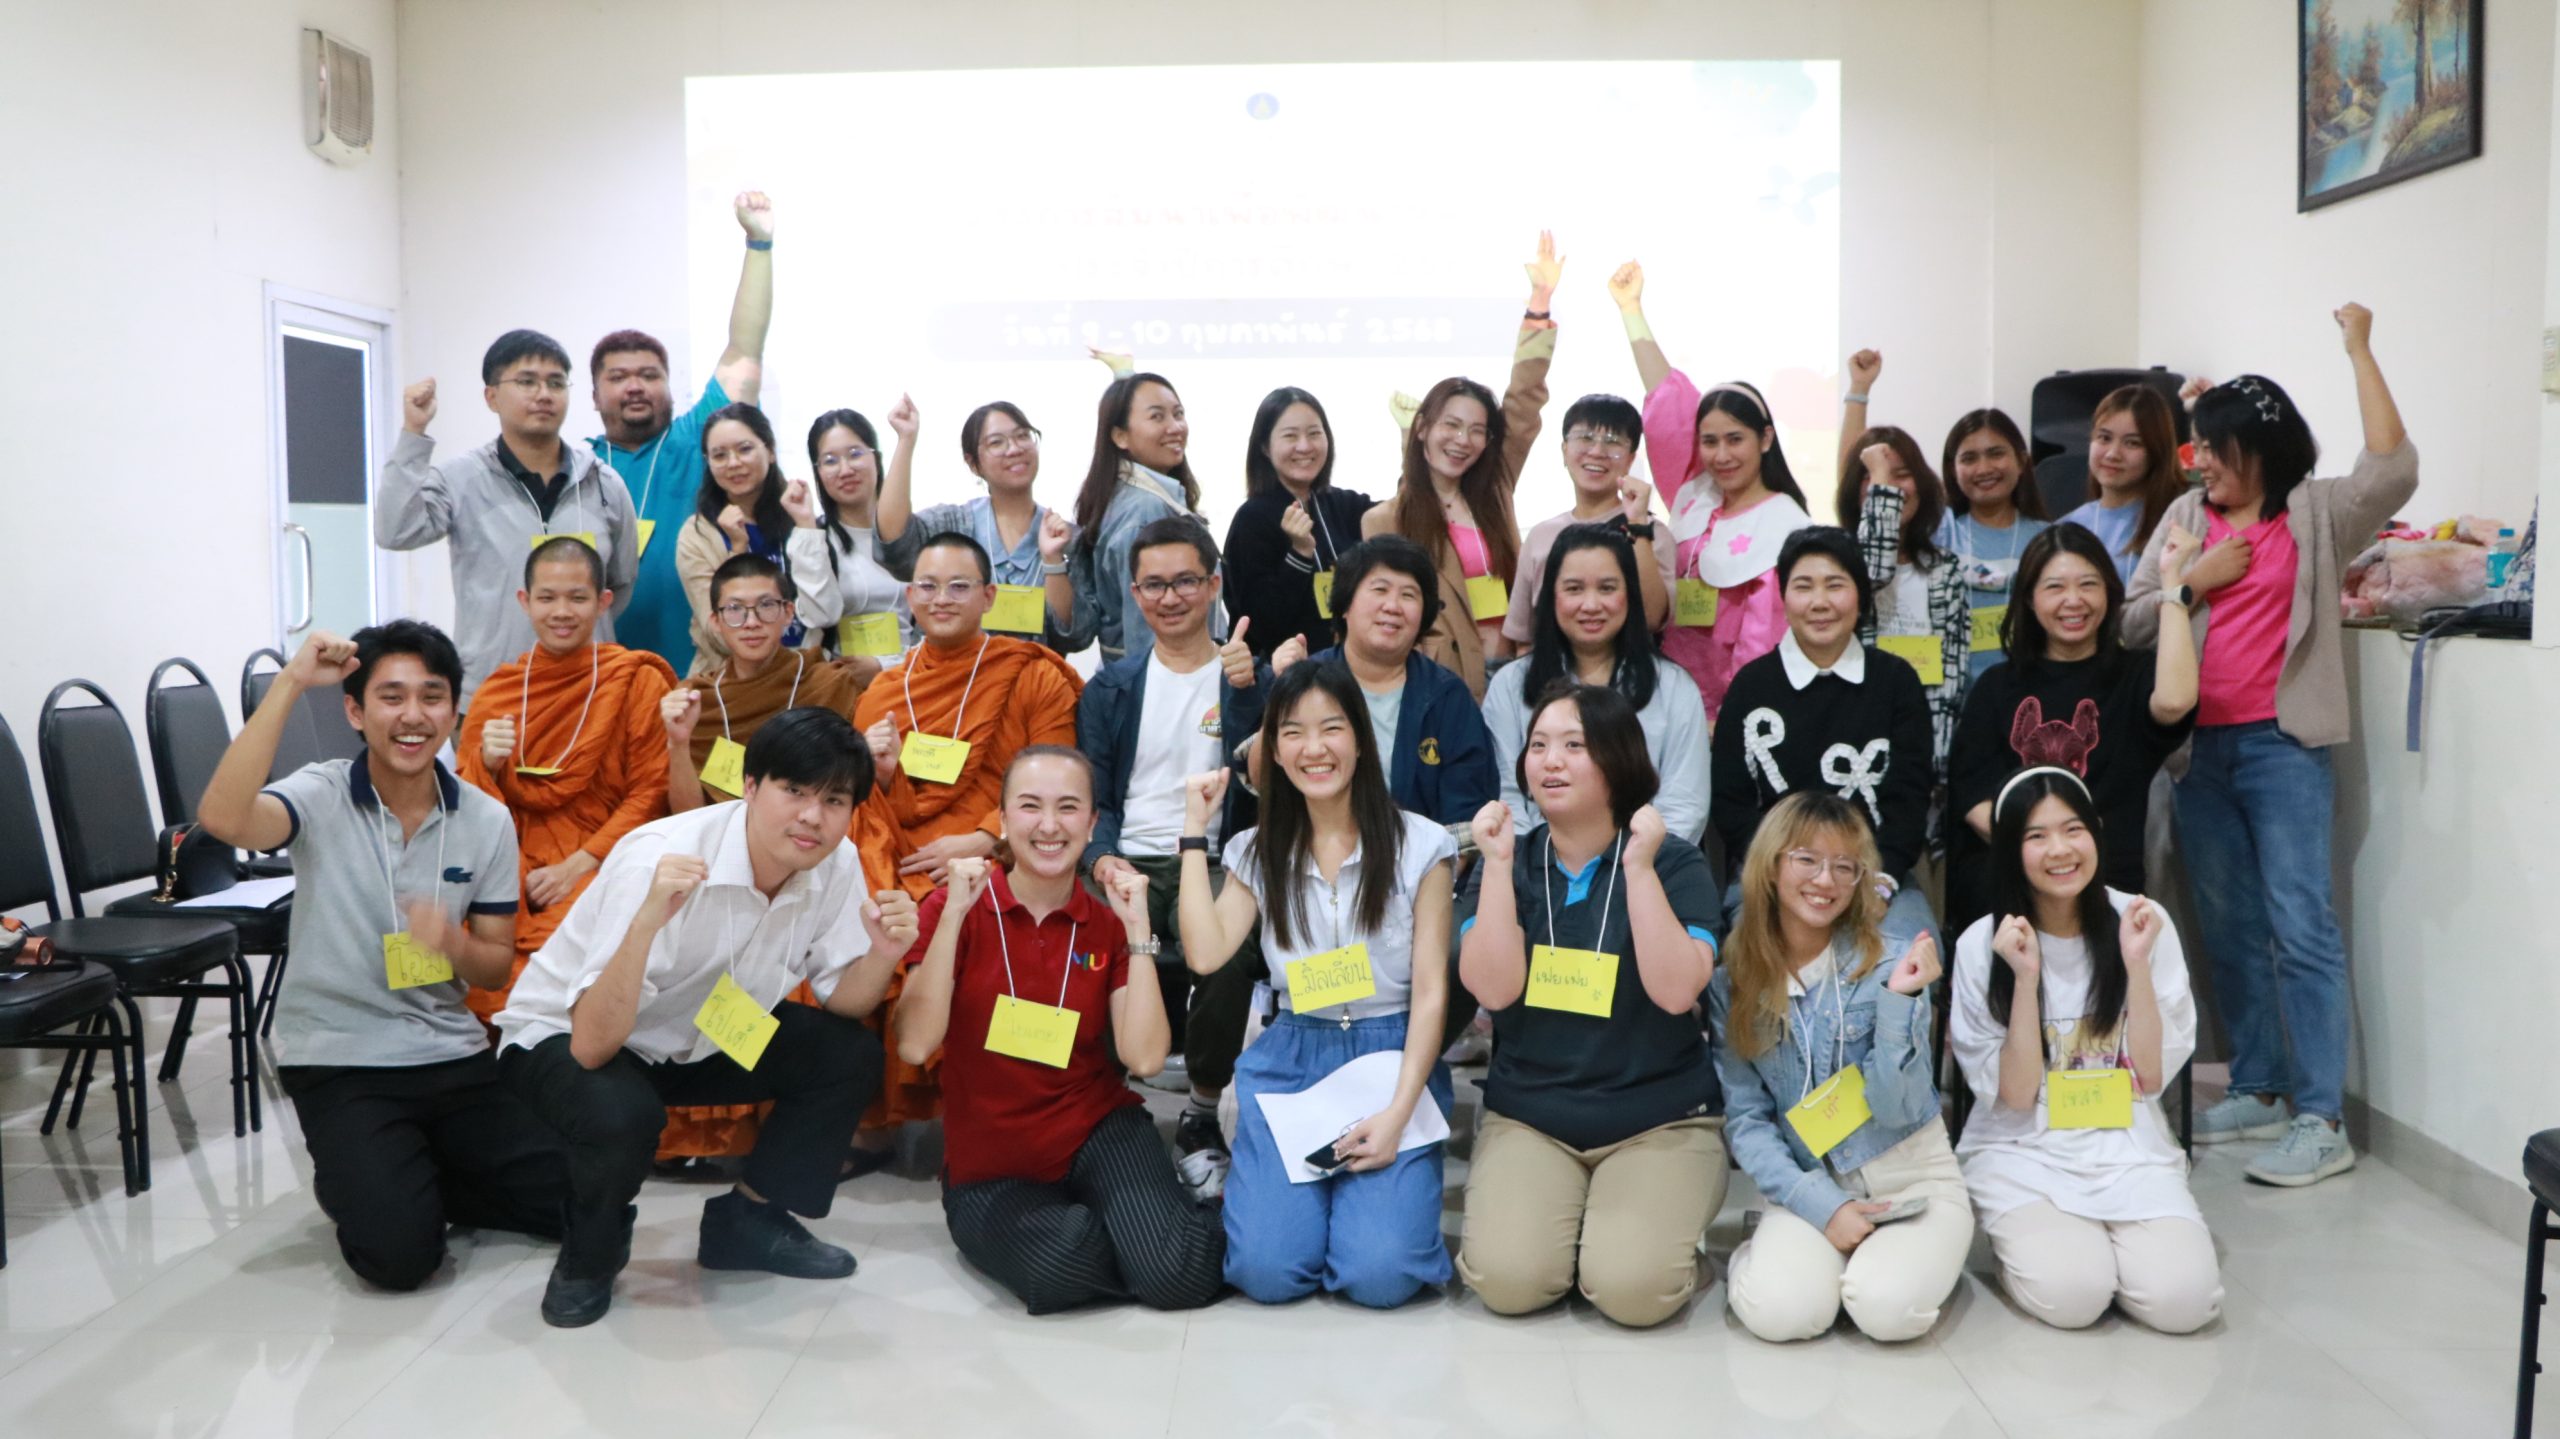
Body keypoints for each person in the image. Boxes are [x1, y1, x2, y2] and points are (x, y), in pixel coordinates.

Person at [494, 707, 921, 1328]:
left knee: (845, 1054)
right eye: (794, 790)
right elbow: (590, 1045)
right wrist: (647, 923)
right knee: (622, 1112)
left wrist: (884, 953)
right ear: (749, 786)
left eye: (834, 800)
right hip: (568, 1035)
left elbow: (844, 1002)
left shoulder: (835, 862)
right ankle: (590, 1255)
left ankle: (750, 1221)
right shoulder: (660, 857)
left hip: (698, 1035)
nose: (812, 816)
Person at [2122, 303, 2418, 1186]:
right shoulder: (2185, 515)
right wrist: (2192, 584)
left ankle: (2322, 1117)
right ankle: (2259, 1084)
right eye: (2199, 448)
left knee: (2302, 924)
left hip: (2284, 748)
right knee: (2230, 926)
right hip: (2196, 754)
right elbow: (2134, 621)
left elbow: (2393, 468)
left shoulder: (2315, 514)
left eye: (2216, 448)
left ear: (2261, 448)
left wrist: (2359, 348)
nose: (2201, 462)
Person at [194, 624, 568, 1292]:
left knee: (579, 1200)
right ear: (355, 712)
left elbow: (492, 967)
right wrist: (291, 681)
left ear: (452, 711)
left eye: (432, 696)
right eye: (391, 697)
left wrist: (451, 942)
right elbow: (223, 819)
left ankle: (408, 1172)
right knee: (398, 1260)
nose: (412, 715)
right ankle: (380, 1179)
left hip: (449, 1054)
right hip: (341, 1058)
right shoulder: (320, 793)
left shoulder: (485, 819)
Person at [895, 748, 1227, 1313]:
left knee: (1177, 1280)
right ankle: (1139, 1233)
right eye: (1030, 806)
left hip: (1096, 1131)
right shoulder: (953, 909)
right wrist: (951, 917)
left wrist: (1139, 932)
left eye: (1068, 808)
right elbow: (915, 1043)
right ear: (1003, 820)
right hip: (992, 1163)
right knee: (1059, 1266)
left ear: (1092, 824)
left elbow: (1145, 1060)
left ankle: (1162, 1234)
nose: (1049, 825)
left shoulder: (1107, 923)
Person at [1177, 664, 1460, 1307]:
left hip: (1391, 1057)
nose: (1314, 748)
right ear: (1273, 752)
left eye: (1331, 728)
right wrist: (1194, 833)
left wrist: (1397, 1114)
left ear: (1360, 738)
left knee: (1380, 1276)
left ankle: (1358, 1213)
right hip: (1294, 1054)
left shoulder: (1423, 845)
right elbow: (1206, 952)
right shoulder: (1255, 850)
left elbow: (1431, 994)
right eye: (1293, 732)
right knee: (1266, 1272)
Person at [1454, 684, 1726, 1328]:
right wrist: (1497, 866)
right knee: (1509, 1282)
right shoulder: (1507, 861)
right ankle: (1579, 1234)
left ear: (1618, 759)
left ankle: (1639, 1244)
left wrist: (1639, 870)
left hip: (1659, 1119)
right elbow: (1492, 990)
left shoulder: (1674, 863)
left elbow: (1676, 991)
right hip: (1532, 1116)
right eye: (1539, 746)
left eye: (1575, 745)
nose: (1551, 761)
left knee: (1633, 1292)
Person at [1950, 768, 2222, 1334]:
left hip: (2127, 1144)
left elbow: (2149, 1078)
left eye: (2073, 829)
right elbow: (2017, 1096)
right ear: (2011, 849)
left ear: (2095, 832)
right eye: (2037, 836)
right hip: (2023, 1150)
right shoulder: (1983, 943)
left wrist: (2136, 965)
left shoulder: (2142, 921)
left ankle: (2112, 1250)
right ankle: (2044, 1248)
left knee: (2184, 1304)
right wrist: (2025, 978)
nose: (2060, 850)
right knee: (2073, 1296)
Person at [848, 530, 1085, 1163]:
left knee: (939, 909)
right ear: (909, 597)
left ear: (989, 596)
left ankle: (989, 1114)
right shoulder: (883, 692)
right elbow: (865, 807)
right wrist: (884, 774)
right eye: (928, 586)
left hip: (1004, 851)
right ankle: (871, 1117)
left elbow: (1059, 775)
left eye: (959, 586)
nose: (942, 599)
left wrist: (987, 837)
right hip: (900, 852)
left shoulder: (1031, 673)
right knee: (862, 909)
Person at [1707, 792, 1968, 1343]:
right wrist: (1822, 1207)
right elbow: (1748, 1123)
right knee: (1784, 1313)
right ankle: (1776, 1257)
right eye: (1807, 860)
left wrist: (1899, 1001)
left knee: (1884, 1309)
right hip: (1808, 1183)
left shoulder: (1894, 958)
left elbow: (1897, 1108)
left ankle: (1876, 1268)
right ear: (1771, 866)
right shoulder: (1733, 981)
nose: (1825, 880)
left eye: (1844, 866)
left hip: (1909, 1178)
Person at [1078, 517, 1268, 1200]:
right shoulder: (1111, 686)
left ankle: (1202, 1106)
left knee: (1227, 945)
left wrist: (1248, 692)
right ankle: (1095, 1100)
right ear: (1134, 594)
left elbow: (1261, 783)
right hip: (1128, 855)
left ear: (1213, 585)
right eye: (1154, 585)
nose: (1170, 597)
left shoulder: (1246, 676)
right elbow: (1095, 795)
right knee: (1083, 938)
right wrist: (1102, 858)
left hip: (1212, 856)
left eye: (1186, 580)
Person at [455, 538, 678, 1023]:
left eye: (578, 598)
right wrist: (485, 765)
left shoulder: (635, 680)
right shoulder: (498, 691)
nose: (562, 612)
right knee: (480, 944)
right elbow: (465, 807)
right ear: (524, 601)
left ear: (603, 602)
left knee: (569, 953)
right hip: (510, 860)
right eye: (547, 598)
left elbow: (650, 792)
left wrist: (578, 864)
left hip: (605, 859)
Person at [1946, 524, 2199, 939]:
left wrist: (2172, 582)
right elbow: (1973, 798)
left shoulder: (2134, 676)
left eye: (2088, 584)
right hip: (2011, 895)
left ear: (2109, 593)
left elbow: (2174, 703)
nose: (2073, 600)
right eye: (2055, 587)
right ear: (2029, 598)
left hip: (2108, 891)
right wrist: (2048, 856)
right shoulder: (1996, 687)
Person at [378, 330, 641, 708]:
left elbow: (620, 582)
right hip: (492, 694)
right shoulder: (461, 479)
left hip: (589, 696)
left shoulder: (603, 483)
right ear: (491, 397)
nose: (544, 394)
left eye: (556, 383)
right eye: (527, 381)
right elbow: (395, 530)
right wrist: (413, 433)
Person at [1710, 528, 1935, 950]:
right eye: (1803, 586)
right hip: (1771, 877)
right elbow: (1731, 802)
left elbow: (1908, 799)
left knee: (1911, 954)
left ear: (1860, 596)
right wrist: (1785, 876)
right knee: (1751, 956)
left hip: (1874, 874)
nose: (1819, 602)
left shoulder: (1896, 682)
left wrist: (1879, 882)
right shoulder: (1752, 686)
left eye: (1835, 585)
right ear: (1783, 597)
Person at [1612, 261, 1816, 722]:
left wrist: (1732, 714)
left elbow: (1765, 636)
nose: (1721, 455)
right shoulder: (1695, 496)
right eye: (1709, 441)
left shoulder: (1785, 522)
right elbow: (1667, 403)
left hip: (1734, 709)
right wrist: (1631, 310)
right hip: (1667, 694)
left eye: (1735, 439)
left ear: (1765, 439)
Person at [1360, 232, 1560, 698]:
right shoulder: (1386, 519)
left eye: (1476, 430)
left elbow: (1523, 400)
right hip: (1444, 680)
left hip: (1514, 671)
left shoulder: (1494, 489)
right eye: (1451, 425)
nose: (1462, 441)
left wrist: (1538, 306)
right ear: (1422, 428)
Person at [591, 191, 776, 675]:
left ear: (669, 386)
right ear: (594, 395)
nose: (635, 386)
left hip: (706, 674)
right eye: (618, 377)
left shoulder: (699, 438)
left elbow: (744, 351)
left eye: (649, 375)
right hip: (608, 681)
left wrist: (759, 245)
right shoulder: (577, 468)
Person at [1484, 524, 1711, 842]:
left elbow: (1684, 805)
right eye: (1574, 589)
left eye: (1607, 588)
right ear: (1551, 595)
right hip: (1536, 866)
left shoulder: (1674, 689)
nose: (1590, 605)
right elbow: (1507, 796)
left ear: (1630, 594)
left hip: (1646, 864)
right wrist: (1541, 863)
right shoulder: (1509, 686)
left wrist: (1636, 863)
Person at [1281, 536, 1499, 830]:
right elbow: (1263, 783)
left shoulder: (1447, 695)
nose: (1393, 606)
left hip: (1426, 856)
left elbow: (1467, 812)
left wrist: (1425, 859)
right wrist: (1281, 692)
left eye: (1409, 595)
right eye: (1380, 590)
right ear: (1345, 604)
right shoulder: (1307, 682)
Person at [662, 554, 874, 815]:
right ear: (715, 621)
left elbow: (851, 796)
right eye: (735, 609)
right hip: (719, 834)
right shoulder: (697, 701)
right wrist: (678, 744)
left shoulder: (828, 684)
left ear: (788, 613)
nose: (751, 622)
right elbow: (687, 818)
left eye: (766, 605)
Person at [877, 398, 1081, 650]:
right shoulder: (954, 525)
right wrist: (905, 440)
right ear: (974, 464)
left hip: (1036, 673)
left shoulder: (1064, 537)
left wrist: (1053, 561)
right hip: (953, 672)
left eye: (1023, 436)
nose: (1014, 449)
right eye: (997, 442)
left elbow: (1073, 636)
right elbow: (894, 541)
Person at [1842, 422, 1969, 776]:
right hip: (1856, 745)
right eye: (1873, 478)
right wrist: (1882, 486)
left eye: (1902, 475)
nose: (1892, 487)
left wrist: (1938, 766)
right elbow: (1873, 570)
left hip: (1927, 752)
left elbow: (1953, 679)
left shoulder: (1945, 570)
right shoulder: (1842, 567)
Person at [1068, 371, 1222, 664]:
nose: (1175, 427)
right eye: (1157, 417)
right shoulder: (1144, 511)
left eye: (1178, 414)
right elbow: (1148, 628)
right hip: (1167, 678)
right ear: (1120, 436)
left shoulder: (1138, 496)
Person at [1500, 392, 1674, 646]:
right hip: (1551, 671)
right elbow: (1524, 638)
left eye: (1613, 442)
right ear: (1564, 450)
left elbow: (1652, 619)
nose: (1597, 451)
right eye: (1585, 438)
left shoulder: (1652, 533)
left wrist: (1638, 525)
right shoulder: (1540, 536)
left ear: (1630, 459)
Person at [1222, 387, 1374, 660]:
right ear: (1264, 447)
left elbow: (1403, 514)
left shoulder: (1343, 504)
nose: (1304, 446)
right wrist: (1300, 554)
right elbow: (1261, 625)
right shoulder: (1252, 519)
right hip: (1286, 674)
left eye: (1314, 433)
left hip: (1350, 666)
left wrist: (1408, 442)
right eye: (1290, 436)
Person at [676, 403, 814, 677]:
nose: (733, 463)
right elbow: (717, 635)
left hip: (804, 673)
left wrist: (808, 527)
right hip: (731, 682)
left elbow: (825, 612)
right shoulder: (697, 534)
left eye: (744, 449)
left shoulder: (798, 517)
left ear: (770, 450)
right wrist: (737, 550)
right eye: (719, 455)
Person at [1933, 401, 2054, 680]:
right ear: (1952, 469)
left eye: (1996, 454)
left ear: (2021, 461)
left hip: (2028, 690)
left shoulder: (2048, 539)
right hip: (1952, 693)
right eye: (1969, 458)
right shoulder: (1938, 531)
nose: (1983, 468)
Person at [786, 403, 914, 658]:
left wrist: (887, 667)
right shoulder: (814, 540)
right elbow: (821, 615)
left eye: (855, 454)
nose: (845, 470)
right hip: (843, 674)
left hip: (913, 671)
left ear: (876, 457)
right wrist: (806, 525)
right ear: (818, 472)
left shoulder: (913, 532)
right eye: (830, 461)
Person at [2059, 384, 2184, 584]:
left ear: (2156, 451)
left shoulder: (2177, 521)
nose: (2112, 454)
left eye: (2132, 443)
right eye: (2104, 438)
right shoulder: (2065, 528)